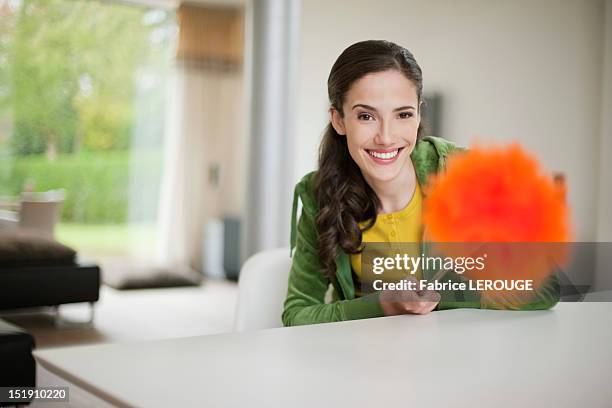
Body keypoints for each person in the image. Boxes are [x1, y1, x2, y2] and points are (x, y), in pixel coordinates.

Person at [282, 40, 559, 327]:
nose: (386, 137)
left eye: (403, 114)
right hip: (362, 360)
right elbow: (297, 314)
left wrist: (443, 293)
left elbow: (545, 288)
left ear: (418, 114)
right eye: (366, 116)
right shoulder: (321, 195)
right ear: (339, 120)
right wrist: (382, 304)